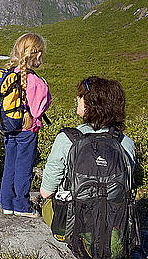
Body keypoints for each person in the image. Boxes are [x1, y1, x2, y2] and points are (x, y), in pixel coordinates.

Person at [40, 76, 136, 219]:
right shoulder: (126, 143)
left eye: (81, 96)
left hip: (74, 220)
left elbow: (46, 192)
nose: (78, 99)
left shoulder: (67, 139)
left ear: (89, 104)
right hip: (113, 220)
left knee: (47, 206)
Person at [0, 33, 51, 217]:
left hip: (10, 127)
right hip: (27, 130)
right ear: (36, 55)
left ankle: (6, 203)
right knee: (24, 166)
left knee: (10, 165)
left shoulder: (9, 75)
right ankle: (21, 205)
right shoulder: (35, 81)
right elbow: (37, 111)